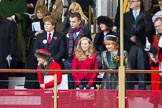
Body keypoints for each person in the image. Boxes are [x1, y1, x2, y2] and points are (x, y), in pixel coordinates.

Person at [124, 0, 155, 90]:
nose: (130, 2)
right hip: (130, 45)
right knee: (130, 67)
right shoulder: (125, 16)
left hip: (142, 44)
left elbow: (150, 29)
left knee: (142, 67)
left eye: (132, 1)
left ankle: (142, 89)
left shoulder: (146, 14)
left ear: (139, 2)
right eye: (130, 1)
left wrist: (140, 36)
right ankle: (130, 89)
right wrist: (130, 37)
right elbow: (121, 30)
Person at [63, 12, 90, 89]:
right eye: (70, 21)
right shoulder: (67, 31)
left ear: (79, 21)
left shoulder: (85, 31)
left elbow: (89, 44)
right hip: (68, 59)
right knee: (69, 81)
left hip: (80, 59)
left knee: (79, 81)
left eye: (74, 22)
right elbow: (65, 44)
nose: (71, 24)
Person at [25, 5, 48, 89]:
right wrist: (35, 33)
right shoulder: (34, 20)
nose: (39, 14)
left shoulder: (46, 21)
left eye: (41, 12)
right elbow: (28, 31)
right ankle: (31, 85)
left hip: (43, 44)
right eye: (37, 12)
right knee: (32, 62)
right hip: (34, 42)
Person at [0, 0, 27, 69]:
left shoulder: (21, 1)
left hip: (17, 26)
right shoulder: (3, 2)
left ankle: (17, 65)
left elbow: (24, 13)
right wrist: (4, 20)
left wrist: (14, 17)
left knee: (18, 45)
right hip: (4, 27)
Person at [0, 16, 16, 88]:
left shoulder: (8, 23)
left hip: (3, 58)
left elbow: (13, 41)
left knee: (3, 83)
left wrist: (10, 55)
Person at [150, 17, 162, 90]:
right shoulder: (156, 37)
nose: (157, 28)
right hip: (159, 65)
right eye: (155, 27)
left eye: (159, 26)